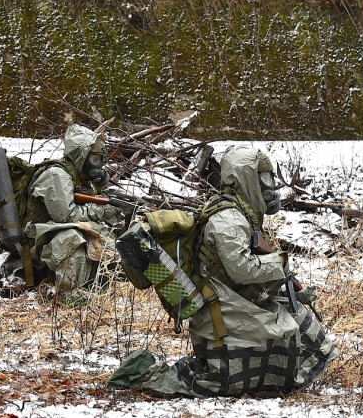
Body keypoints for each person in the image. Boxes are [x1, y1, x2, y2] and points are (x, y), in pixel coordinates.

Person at [109, 145, 338, 397]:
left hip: (231, 302)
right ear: (245, 178)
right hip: (220, 313)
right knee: (276, 343)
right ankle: (142, 371)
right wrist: (278, 263)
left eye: (270, 178)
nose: (269, 186)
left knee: (300, 326)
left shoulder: (240, 213)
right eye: (263, 178)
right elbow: (243, 270)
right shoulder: (228, 219)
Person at [23, 124, 121, 304]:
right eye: (93, 158)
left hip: (51, 233)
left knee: (104, 235)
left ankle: (96, 282)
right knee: (71, 238)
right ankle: (67, 293)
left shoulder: (79, 177)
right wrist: (99, 211)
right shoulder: (57, 175)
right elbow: (65, 216)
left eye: (100, 159)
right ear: (80, 155)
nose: (97, 164)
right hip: (37, 239)